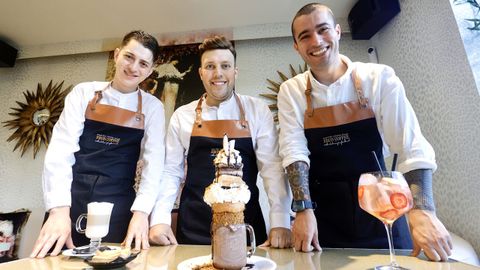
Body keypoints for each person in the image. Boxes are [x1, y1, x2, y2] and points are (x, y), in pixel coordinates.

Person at [277, 3, 453, 261]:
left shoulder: (378, 77)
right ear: (296, 46)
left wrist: (423, 211)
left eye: (323, 29)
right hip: (324, 218)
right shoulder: (291, 91)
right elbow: (294, 151)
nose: (316, 40)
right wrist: (303, 210)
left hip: (383, 212)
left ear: (337, 31)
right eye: (305, 36)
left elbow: (411, 146)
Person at [30, 30, 166, 258]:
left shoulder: (152, 107)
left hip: (120, 205)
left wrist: (141, 214)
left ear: (150, 71)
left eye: (143, 63)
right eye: (129, 57)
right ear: (116, 55)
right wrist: (59, 210)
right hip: (72, 201)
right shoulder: (83, 93)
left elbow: (154, 165)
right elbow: (61, 152)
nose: (134, 67)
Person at [148, 36, 292, 248]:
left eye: (225, 66)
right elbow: (171, 171)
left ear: (235, 71)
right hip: (194, 225)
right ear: (201, 73)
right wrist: (160, 220)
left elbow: (272, 169)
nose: (218, 73)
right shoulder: (182, 115)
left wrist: (281, 222)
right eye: (210, 66)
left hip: (245, 225)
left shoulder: (257, 110)